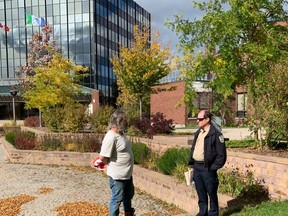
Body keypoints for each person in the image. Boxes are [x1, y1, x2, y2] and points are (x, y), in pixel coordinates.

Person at [96, 110, 135, 216]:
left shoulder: (121, 134)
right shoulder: (111, 136)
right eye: (124, 120)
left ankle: (128, 213)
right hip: (118, 176)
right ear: (118, 121)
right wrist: (99, 164)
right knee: (117, 200)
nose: (126, 122)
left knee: (128, 195)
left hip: (127, 174)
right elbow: (103, 157)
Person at [188, 110, 227, 216]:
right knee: (200, 192)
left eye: (200, 119)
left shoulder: (216, 134)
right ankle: (202, 212)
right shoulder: (199, 132)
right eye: (197, 119)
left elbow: (221, 155)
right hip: (197, 167)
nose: (197, 121)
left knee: (211, 193)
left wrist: (212, 168)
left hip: (208, 168)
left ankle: (213, 213)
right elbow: (193, 149)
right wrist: (191, 164)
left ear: (207, 119)